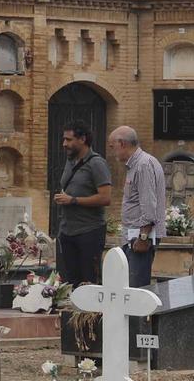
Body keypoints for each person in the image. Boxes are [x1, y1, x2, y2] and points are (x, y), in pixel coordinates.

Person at [52, 121, 113, 285]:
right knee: (70, 282)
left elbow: (105, 198)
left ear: (83, 139)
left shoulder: (97, 164)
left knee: (89, 282)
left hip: (89, 231)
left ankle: (92, 311)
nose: (64, 144)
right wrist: (64, 197)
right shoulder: (70, 161)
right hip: (67, 230)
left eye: (69, 140)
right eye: (64, 140)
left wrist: (73, 200)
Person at [109, 125, 166, 289]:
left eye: (113, 147)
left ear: (122, 143)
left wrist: (143, 237)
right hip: (133, 237)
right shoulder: (136, 165)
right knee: (128, 289)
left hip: (140, 239)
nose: (113, 153)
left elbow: (149, 207)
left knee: (135, 292)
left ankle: (136, 317)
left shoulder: (143, 165)